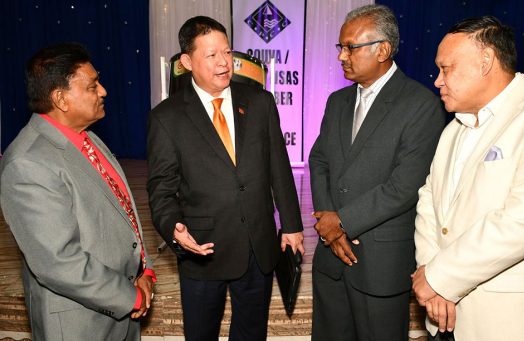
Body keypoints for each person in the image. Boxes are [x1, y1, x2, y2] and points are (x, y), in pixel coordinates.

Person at [412, 16, 524, 341]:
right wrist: (431, 276)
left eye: (446, 68)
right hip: (442, 312)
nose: (437, 80)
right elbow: (428, 202)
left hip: (504, 318)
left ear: (485, 62)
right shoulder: (454, 129)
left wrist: (440, 276)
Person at [146, 16, 304, 341]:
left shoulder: (260, 103)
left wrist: (291, 225)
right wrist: (173, 227)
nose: (223, 62)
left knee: (251, 333)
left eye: (227, 52)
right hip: (203, 250)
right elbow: (161, 189)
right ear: (187, 61)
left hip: (256, 247)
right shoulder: (167, 118)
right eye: (211, 55)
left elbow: (279, 166)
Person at [0, 43, 155, 341]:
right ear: (61, 99)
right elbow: (58, 262)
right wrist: (130, 296)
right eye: (93, 86)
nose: (104, 91)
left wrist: (145, 270)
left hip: (122, 312)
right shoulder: (28, 162)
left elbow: (125, 213)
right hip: (80, 324)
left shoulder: (88, 140)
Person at [309, 4, 445, 340]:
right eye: (340, 47)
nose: (342, 56)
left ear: (382, 49)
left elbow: (405, 186)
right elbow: (319, 161)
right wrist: (331, 226)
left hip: (380, 264)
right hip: (331, 258)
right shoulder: (337, 101)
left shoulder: (420, 104)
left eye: (350, 47)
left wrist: (341, 222)